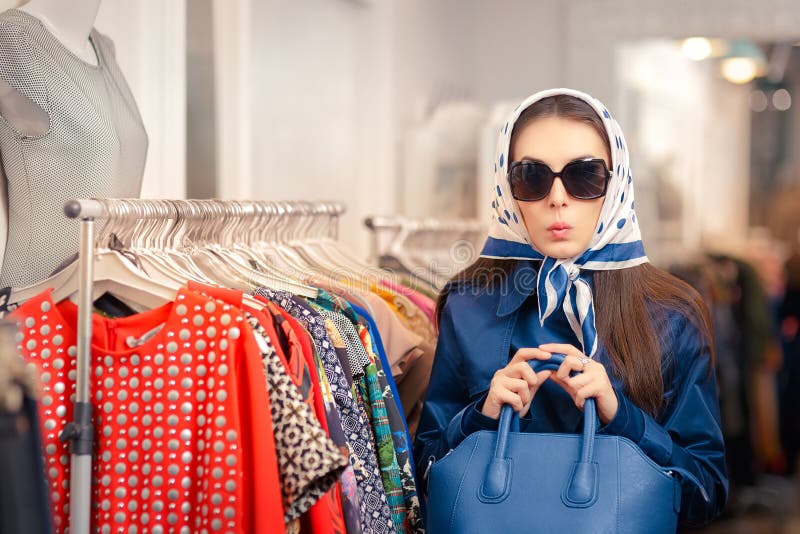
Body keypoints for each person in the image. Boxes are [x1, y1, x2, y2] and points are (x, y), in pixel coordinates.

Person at [413, 88, 728, 528]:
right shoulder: (468, 305)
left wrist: (623, 419)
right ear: (508, 189)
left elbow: (707, 490)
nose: (557, 198)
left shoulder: (672, 313)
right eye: (532, 177)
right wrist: (479, 417)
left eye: (583, 176)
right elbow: (424, 478)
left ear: (615, 182)